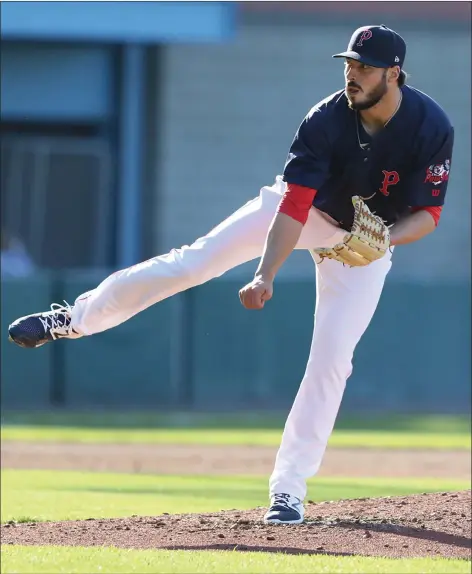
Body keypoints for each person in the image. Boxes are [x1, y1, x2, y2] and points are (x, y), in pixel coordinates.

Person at [8, 25, 454, 525]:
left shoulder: (430, 126)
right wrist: (266, 274)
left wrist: (383, 241)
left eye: (365, 67)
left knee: (332, 362)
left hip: (366, 243)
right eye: (349, 63)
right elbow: (294, 207)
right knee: (194, 262)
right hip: (305, 215)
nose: (352, 73)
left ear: (393, 73)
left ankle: (288, 491)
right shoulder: (325, 120)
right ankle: (75, 317)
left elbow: (428, 215)